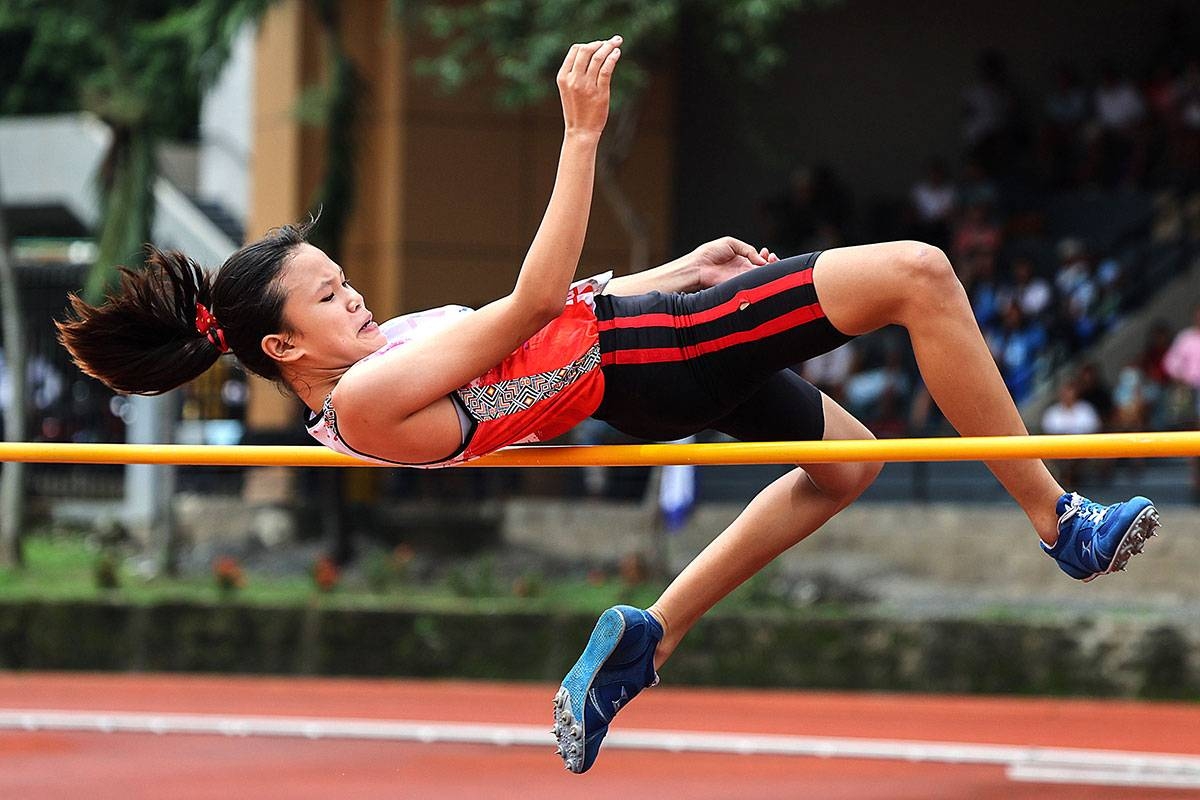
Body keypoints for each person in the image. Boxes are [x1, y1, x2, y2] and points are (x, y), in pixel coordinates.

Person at [56, 37, 1161, 775]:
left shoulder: (377, 366)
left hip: (639, 346)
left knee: (849, 461)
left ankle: (648, 635)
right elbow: (536, 300)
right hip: (653, 360)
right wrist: (579, 133)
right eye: (334, 294)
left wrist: (670, 267)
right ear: (287, 344)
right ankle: (1060, 521)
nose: (358, 295)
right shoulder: (372, 395)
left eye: (347, 279)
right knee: (919, 273)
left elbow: (531, 320)